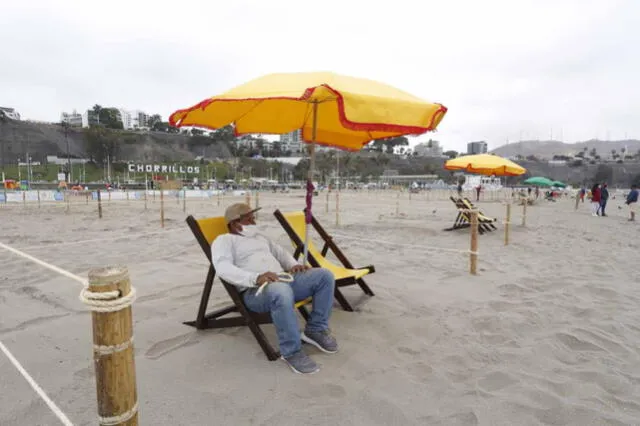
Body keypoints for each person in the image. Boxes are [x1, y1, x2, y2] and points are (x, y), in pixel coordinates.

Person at [211, 203, 337, 374]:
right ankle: (292, 351)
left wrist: (294, 265)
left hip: (283, 279)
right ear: (235, 223)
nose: (254, 220)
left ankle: (315, 329)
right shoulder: (224, 241)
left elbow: (281, 253)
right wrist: (255, 278)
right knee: (280, 290)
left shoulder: (260, 238)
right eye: (249, 218)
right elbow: (223, 268)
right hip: (257, 291)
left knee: (325, 276)